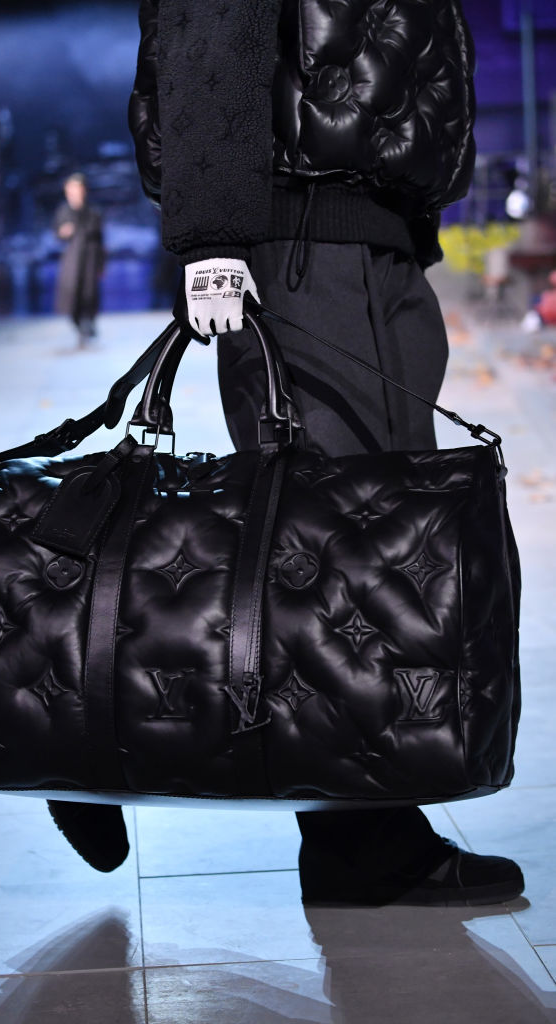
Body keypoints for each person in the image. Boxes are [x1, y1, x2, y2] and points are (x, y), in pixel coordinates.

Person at [50, 0, 524, 907]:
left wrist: (406, 217)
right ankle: (96, 720)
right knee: (327, 555)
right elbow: (207, 20)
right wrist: (212, 234)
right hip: (301, 233)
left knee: (374, 555)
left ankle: (361, 826)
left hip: (372, 231)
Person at [53, 173, 104, 347]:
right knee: (72, 294)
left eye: (78, 188)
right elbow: (57, 234)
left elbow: (100, 239)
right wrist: (63, 232)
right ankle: (79, 325)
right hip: (72, 260)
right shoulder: (63, 211)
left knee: (89, 293)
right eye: (72, 189)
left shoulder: (93, 212)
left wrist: (101, 264)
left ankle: (88, 325)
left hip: (90, 258)